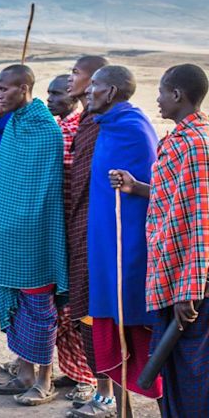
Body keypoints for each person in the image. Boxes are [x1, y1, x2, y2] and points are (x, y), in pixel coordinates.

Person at [109, 64, 209, 418]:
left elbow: (200, 222)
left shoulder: (195, 145)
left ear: (178, 95)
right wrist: (136, 188)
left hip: (190, 286)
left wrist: (189, 290)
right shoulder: (182, 138)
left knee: (191, 375)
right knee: (173, 373)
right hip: (174, 276)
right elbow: (177, 198)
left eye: (162, 91)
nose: (157, 98)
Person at [0, 65, 68, 406]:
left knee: (39, 308)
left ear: (24, 89)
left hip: (34, 238)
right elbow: (6, 181)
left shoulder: (46, 130)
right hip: (7, 234)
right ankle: (24, 373)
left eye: (5, 89)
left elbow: (43, 191)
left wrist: (22, 222)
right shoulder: (15, 125)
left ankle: (45, 381)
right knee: (16, 305)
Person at [85, 66, 162, 416]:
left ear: (112, 91)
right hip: (104, 243)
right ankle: (122, 411)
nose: (88, 91)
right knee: (111, 327)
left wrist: (133, 187)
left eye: (95, 86)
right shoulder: (109, 125)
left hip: (127, 248)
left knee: (134, 326)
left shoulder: (133, 129)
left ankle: (167, 406)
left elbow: (157, 195)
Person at [60, 56, 112, 417]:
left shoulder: (103, 122)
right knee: (79, 310)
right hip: (76, 225)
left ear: (95, 80)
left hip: (95, 230)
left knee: (96, 310)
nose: (70, 80)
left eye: (76, 73)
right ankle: (90, 381)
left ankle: (106, 394)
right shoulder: (82, 121)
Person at [47, 74, 98, 405]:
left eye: (56, 93)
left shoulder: (79, 130)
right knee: (56, 305)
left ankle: (88, 378)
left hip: (76, 230)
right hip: (55, 232)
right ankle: (72, 369)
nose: (49, 98)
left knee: (74, 308)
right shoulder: (56, 129)